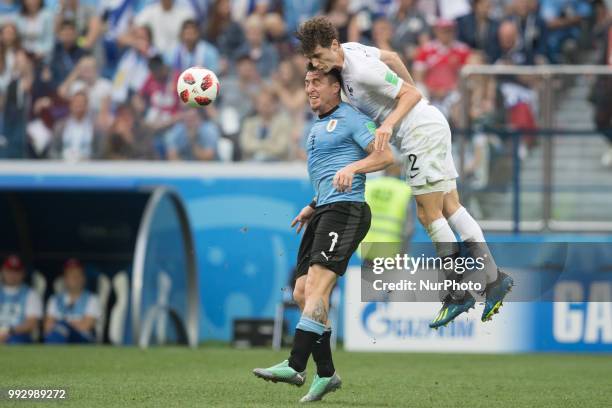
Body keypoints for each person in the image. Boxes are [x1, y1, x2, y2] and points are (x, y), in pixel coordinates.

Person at [295, 16, 513, 329]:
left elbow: (410, 94)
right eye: (311, 59)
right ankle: (493, 279)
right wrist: (409, 104)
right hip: (427, 124)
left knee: (428, 214)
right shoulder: (351, 50)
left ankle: (458, 290)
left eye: (318, 56)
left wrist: (392, 121)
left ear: (333, 45)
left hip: (418, 132)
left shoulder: (360, 70)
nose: (316, 64)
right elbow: (395, 58)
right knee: (452, 207)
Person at [252, 65, 394, 402]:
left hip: (347, 210)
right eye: (306, 83)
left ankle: (296, 364)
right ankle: (327, 373)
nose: (310, 88)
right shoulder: (317, 126)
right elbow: (331, 172)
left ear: (336, 88)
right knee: (303, 292)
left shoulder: (353, 118)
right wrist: (313, 204)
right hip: (325, 210)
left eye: (317, 82)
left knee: (317, 285)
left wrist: (354, 167)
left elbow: (385, 155)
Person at [44, 259, 101, 344]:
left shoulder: (92, 299)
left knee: (61, 328)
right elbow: (47, 327)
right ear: (65, 279)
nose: (75, 279)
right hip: (58, 337)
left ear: (83, 278)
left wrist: (62, 324)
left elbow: (86, 326)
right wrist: (73, 323)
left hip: (82, 339)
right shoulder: (54, 300)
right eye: (71, 275)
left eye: (78, 275)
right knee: (57, 333)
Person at [0, 255, 43, 344]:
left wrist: (8, 331)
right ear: (3, 271)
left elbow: (32, 324)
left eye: (16, 271)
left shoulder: (30, 294)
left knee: (15, 341)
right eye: (9, 270)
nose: (12, 275)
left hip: (18, 336)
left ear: (22, 273)